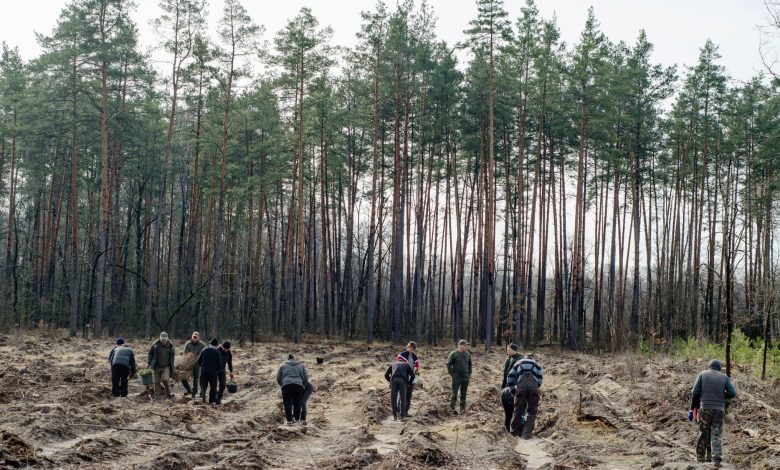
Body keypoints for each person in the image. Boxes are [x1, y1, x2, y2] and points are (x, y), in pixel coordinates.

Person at [689, 359, 737, 468]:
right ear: (719, 367)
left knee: (703, 432)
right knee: (716, 434)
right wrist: (722, 395)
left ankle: (700, 459)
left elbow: (695, 392)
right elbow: (733, 393)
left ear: (709, 366)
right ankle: (717, 460)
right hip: (719, 409)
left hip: (705, 408)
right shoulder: (724, 377)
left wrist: (692, 409)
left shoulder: (702, 374)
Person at [508, 353, 543, 439]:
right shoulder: (537, 365)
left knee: (518, 410)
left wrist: (512, 390)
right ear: (532, 358)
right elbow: (540, 379)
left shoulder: (518, 363)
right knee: (532, 411)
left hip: (520, 388)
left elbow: (510, 377)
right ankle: (526, 434)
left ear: (525, 357)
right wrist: (535, 387)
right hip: (533, 389)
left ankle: (515, 433)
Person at [276, 354, 309, 425]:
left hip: (286, 385)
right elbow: (305, 378)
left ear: (287, 359)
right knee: (297, 403)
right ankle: (297, 419)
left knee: (287, 403)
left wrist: (282, 385)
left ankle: (289, 421)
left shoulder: (282, 365)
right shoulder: (301, 365)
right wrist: (303, 386)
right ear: (294, 358)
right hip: (298, 385)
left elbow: (278, 378)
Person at [446, 339, 472, 415]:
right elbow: (448, 363)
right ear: (460, 346)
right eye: (464, 345)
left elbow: (470, 365)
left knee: (463, 394)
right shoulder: (454, 354)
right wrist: (452, 373)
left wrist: (469, 374)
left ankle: (462, 409)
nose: (466, 347)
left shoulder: (468, 355)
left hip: (465, 377)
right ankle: (452, 409)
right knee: (454, 393)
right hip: (456, 377)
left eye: (466, 345)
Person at [147, 332, 175, 399]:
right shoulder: (155, 344)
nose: (163, 341)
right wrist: (149, 362)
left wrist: (172, 365)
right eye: (162, 339)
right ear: (160, 338)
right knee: (157, 381)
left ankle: (168, 393)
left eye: (165, 339)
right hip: (156, 366)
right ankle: (157, 396)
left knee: (165, 379)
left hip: (166, 366)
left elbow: (172, 357)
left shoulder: (171, 346)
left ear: (167, 339)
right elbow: (150, 354)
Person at [197, 338, 224, 404]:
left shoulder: (204, 349)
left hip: (204, 371)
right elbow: (220, 364)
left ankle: (202, 400)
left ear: (210, 343)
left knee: (203, 386)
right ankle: (211, 401)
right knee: (213, 387)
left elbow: (198, 361)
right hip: (213, 372)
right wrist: (217, 370)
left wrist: (203, 367)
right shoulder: (217, 352)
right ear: (216, 345)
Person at [397, 341, 420, 416]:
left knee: (409, 395)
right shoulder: (401, 355)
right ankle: (399, 411)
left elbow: (417, 367)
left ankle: (405, 412)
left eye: (412, 348)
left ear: (414, 349)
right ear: (407, 347)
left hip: (412, 377)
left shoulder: (415, 357)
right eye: (409, 347)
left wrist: (415, 375)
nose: (410, 349)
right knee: (402, 394)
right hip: (403, 377)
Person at [181, 332, 205, 398]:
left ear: (198, 338)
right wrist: (187, 355)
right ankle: (188, 390)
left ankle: (194, 393)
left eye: (196, 337)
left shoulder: (202, 345)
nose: (194, 338)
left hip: (197, 364)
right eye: (193, 337)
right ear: (192, 336)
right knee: (182, 377)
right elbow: (184, 353)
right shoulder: (188, 344)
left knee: (196, 378)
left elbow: (205, 354)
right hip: (188, 363)